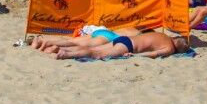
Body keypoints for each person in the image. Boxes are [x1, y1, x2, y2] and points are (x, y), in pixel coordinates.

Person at [55, 31, 190, 60]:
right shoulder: (170, 48)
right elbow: (154, 54)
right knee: (97, 54)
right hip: (128, 46)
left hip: (124, 38)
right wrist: (136, 56)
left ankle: (63, 48)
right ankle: (66, 54)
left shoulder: (164, 35)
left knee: (92, 48)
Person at [31, 25, 148, 56]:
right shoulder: (138, 35)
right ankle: (48, 44)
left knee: (73, 40)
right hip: (109, 37)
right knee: (75, 44)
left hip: (102, 31)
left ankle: (40, 40)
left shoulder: (131, 28)